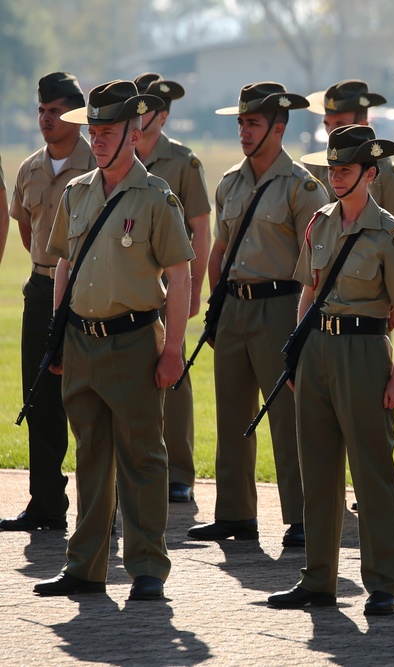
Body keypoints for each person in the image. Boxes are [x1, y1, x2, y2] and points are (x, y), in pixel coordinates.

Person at [33, 80, 193, 600]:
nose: (97, 140)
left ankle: (147, 567)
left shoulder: (155, 196)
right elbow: (63, 264)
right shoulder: (78, 192)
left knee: (143, 456)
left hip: (133, 342)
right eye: (93, 131)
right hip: (81, 340)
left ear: (133, 131)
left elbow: (180, 273)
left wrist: (173, 351)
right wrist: (57, 334)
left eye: (107, 132)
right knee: (90, 455)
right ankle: (85, 566)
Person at [267, 125, 394, 615]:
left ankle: (382, 584)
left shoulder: (390, 234)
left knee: (373, 471)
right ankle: (318, 579)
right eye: (332, 168)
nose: (336, 177)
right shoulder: (319, 222)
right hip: (316, 351)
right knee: (317, 468)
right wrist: (295, 354)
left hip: (363, 352)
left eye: (346, 169)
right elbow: (308, 292)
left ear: (369, 173)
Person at [187, 82, 328, 547]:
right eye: (242, 123)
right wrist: (215, 305)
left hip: (280, 308)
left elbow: (318, 261)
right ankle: (234, 515)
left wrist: (305, 323)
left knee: (287, 415)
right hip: (233, 308)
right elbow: (221, 249)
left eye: (254, 123)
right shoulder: (229, 182)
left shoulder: (303, 186)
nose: (245, 132)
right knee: (231, 414)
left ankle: (303, 518)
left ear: (279, 128)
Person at [2, 72, 95, 532]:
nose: (46, 118)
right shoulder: (30, 168)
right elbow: (27, 232)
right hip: (42, 290)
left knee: (92, 403)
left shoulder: (98, 167)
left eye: (56, 110)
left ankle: (100, 511)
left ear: (77, 115)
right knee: (39, 398)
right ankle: (45, 504)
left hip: (90, 295)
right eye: (41, 110)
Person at [133, 72, 212, 504]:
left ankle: (179, 472)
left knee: (173, 368)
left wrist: (196, 286)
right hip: (128, 283)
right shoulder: (113, 158)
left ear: (162, 117)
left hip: (170, 282)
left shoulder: (184, 162)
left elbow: (200, 228)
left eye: (148, 110)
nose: (141, 117)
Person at [304, 80, 394, 229]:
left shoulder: (389, 174)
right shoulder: (314, 169)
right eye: (327, 124)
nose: (331, 131)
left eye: (339, 124)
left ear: (363, 125)